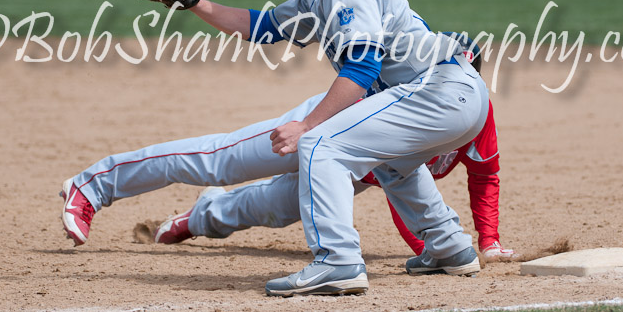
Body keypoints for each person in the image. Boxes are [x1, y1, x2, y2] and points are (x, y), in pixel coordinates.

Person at [61, 0, 490, 296]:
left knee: (320, 145)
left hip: (438, 91)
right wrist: (193, 1)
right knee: (392, 160)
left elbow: (362, 66)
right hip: (448, 97)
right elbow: (262, 27)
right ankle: (449, 246)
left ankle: (339, 263)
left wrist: (307, 125)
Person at [153, 96, 517, 263]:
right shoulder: (414, 110)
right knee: (277, 203)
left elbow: (485, 179)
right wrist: (427, 249)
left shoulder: (476, 118)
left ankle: (204, 214)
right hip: (336, 139)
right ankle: (202, 216)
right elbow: (401, 187)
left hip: (375, 168)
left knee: (279, 207)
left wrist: (490, 241)